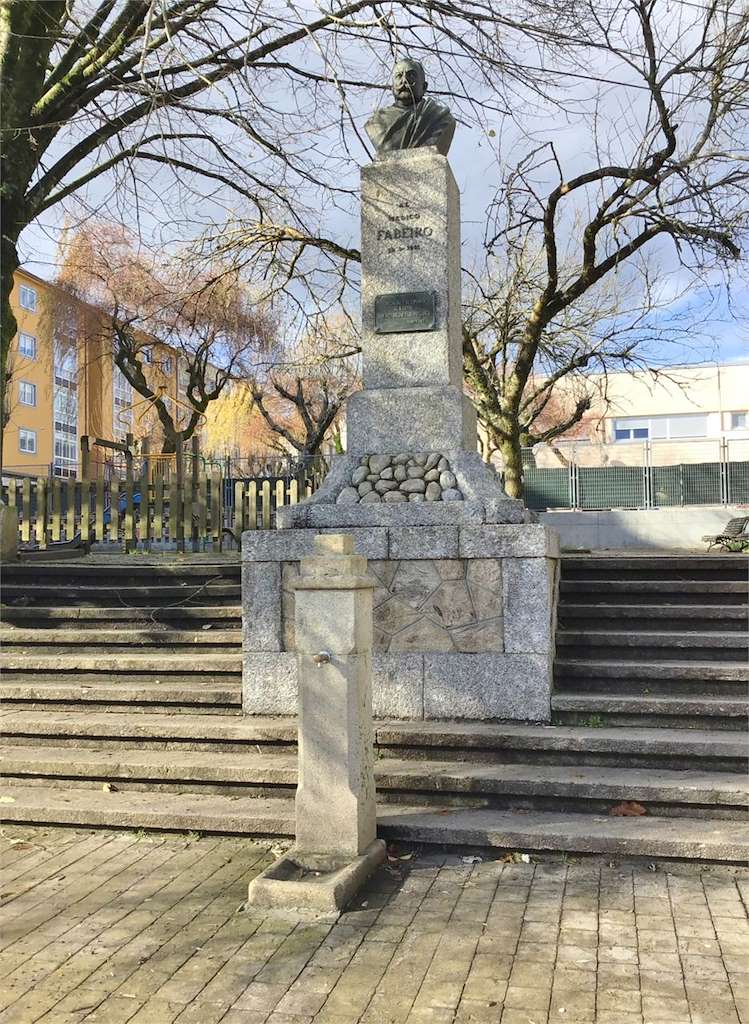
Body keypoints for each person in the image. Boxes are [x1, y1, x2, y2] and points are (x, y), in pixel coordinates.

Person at [365, 58, 456, 158]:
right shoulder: (377, 122)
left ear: (424, 87)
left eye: (411, 75)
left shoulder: (439, 117)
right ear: (392, 88)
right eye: (399, 76)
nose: (404, 81)